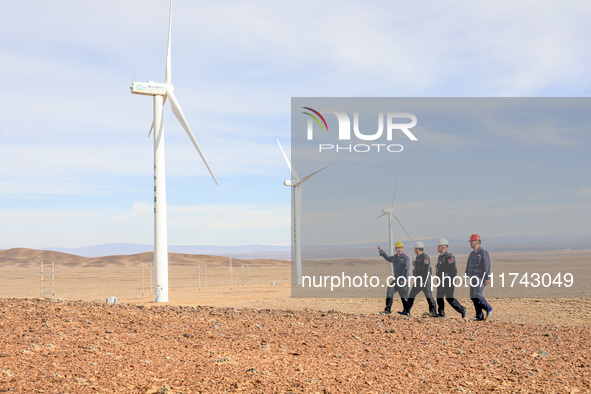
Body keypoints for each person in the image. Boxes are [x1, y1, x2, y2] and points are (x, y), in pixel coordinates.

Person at [435, 238, 466, 318]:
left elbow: (453, 270)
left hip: (448, 281)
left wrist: (452, 280)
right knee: (439, 297)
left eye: (439, 246)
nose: (437, 248)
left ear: (443, 247)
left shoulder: (449, 257)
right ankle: (441, 313)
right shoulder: (440, 257)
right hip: (441, 280)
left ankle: (462, 309)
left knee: (449, 298)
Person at [465, 234, 493, 321]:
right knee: (473, 296)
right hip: (473, 277)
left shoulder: (483, 252)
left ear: (477, 242)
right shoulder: (472, 254)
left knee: (477, 294)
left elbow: (487, 265)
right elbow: (468, 265)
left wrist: (487, 277)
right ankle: (479, 315)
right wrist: (466, 275)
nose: (470, 243)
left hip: (480, 277)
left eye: (471, 241)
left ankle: (489, 309)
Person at [405, 241, 437, 317]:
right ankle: (406, 311)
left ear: (418, 249)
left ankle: (434, 313)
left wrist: (423, 281)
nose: (414, 250)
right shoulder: (418, 257)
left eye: (415, 248)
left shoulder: (425, 257)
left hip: (425, 281)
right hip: (418, 280)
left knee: (429, 297)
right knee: (411, 295)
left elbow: (425, 271)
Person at [378, 241, 410, 316]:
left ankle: (406, 311)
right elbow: (388, 258)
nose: (399, 249)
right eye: (398, 248)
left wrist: (402, 279)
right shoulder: (395, 257)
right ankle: (387, 310)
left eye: (401, 248)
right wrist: (381, 251)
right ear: (396, 249)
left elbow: (406, 269)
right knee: (390, 291)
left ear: (403, 249)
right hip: (396, 280)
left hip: (403, 281)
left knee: (404, 297)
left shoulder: (406, 258)